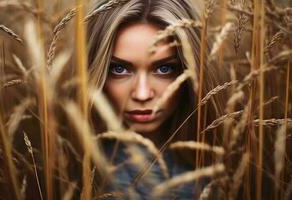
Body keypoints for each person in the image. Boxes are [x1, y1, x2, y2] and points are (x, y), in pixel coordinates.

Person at [86, 0, 224, 199]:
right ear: (96, 71)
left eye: (164, 69)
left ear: (191, 70)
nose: (142, 95)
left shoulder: (226, 170)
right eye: (119, 69)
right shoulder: (65, 170)